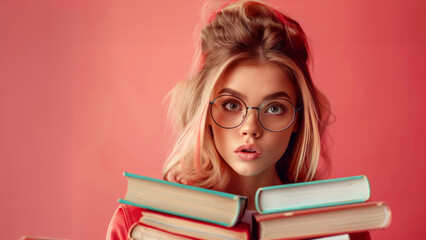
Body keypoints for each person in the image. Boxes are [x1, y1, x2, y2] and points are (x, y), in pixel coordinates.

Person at [106, 1, 370, 239]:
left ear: (298, 119)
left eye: (275, 108)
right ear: (205, 112)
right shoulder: (141, 227)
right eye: (231, 105)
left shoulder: (339, 226)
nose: (250, 129)